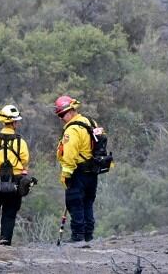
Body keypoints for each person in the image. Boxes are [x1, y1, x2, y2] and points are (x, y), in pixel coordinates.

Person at [55, 95, 105, 244]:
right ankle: (88, 236)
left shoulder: (72, 129)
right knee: (88, 203)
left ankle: (78, 236)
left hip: (78, 173)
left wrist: (66, 174)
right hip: (93, 172)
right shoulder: (90, 122)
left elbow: (70, 153)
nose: (61, 118)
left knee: (75, 203)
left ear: (70, 111)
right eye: (59, 115)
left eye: (62, 114)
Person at [0, 105, 30, 246]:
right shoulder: (21, 142)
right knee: (9, 214)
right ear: (14, 123)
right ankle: (4, 243)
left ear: (3, 122)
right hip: (14, 184)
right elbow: (25, 161)